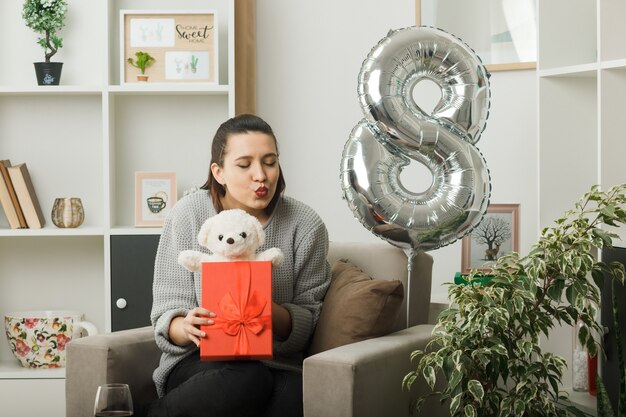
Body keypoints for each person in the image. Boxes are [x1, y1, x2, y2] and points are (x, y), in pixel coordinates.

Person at [146, 114, 331, 417]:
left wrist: (266, 310)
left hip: (277, 363)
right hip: (198, 360)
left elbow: (309, 320)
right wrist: (186, 326)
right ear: (218, 172)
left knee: (294, 397)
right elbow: (166, 315)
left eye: (270, 162)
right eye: (244, 165)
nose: (261, 175)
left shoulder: (305, 224)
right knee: (247, 379)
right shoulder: (188, 214)